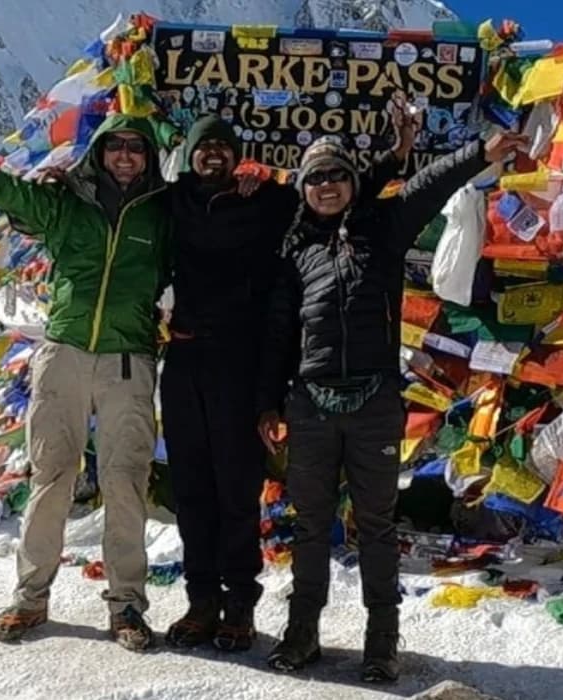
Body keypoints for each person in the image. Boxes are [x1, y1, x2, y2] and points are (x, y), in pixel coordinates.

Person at [256, 128, 526, 682]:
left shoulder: (385, 226)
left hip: (375, 401)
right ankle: (301, 633)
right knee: (310, 524)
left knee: (376, 524)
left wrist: (479, 154)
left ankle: (382, 643)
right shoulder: (294, 251)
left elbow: (431, 184)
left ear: (353, 183)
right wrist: (268, 403)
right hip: (309, 402)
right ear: (303, 188)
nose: (326, 186)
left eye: (336, 175)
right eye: (315, 178)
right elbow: (279, 333)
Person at [159, 106, 420, 653]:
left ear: (238, 157)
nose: (213, 155)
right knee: (191, 489)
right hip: (184, 363)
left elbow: (339, 186)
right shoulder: (170, 202)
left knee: (237, 489)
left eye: (224, 147)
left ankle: (240, 607)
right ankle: (201, 600)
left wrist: (396, 154)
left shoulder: (272, 202)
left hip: (241, 362)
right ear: (189, 155)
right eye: (204, 147)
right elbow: (117, 197)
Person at [0, 96, 167, 651]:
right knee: (51, 476)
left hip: (130, 359)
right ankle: (30, 597)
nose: (125, 156)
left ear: (151, 157)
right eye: (116, 146)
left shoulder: (163, 212)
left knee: (126, 481)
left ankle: (127, 606)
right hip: (64, 353)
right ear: (99, 153)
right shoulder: (63, 203)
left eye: (136, 147)